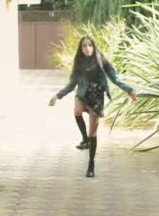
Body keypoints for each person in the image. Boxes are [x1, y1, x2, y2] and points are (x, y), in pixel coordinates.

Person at [48, 36, 137, 178]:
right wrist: (57, 96)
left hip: (96, 98)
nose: (87, 48)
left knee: (93, 133)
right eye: (84, 46)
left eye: (90, 45)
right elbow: (72, 84)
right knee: (76, 110)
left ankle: (91, 164)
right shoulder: (78, 62)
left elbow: (115, 79)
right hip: (82, 95)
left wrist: (129, 90)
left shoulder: (102, 61)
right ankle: (84, 139)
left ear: (94, 47)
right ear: (80, 48)